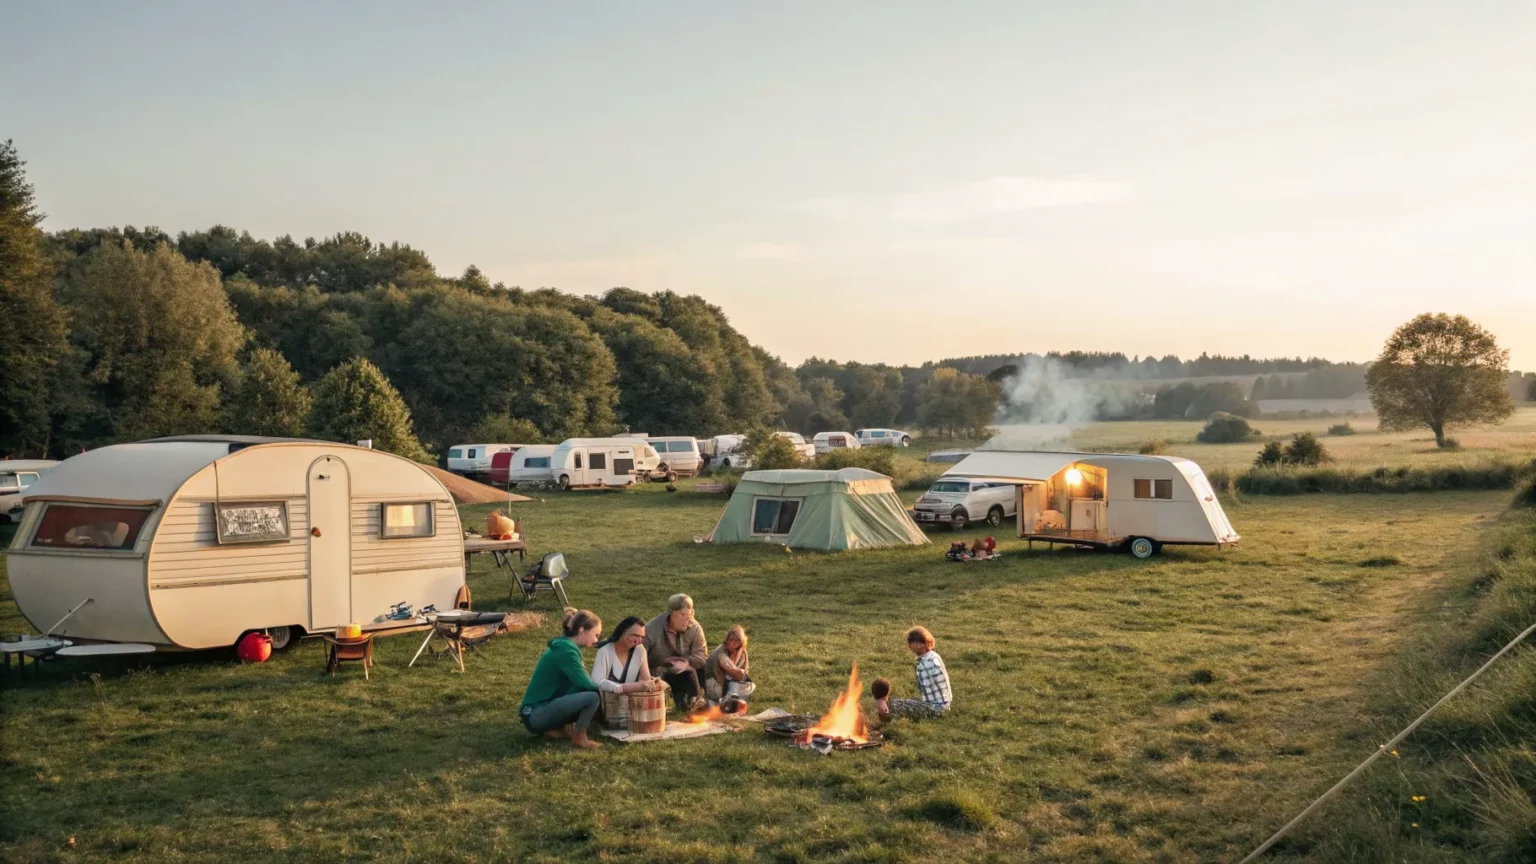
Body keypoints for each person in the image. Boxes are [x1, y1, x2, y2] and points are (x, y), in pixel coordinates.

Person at [519, 608, 605, 749]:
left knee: (585, 693)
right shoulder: (567, 651)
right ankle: (580, 737)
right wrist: (611, 690)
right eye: (596, 635)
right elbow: (587, 684)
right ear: (582, 630)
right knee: (593, 697)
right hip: (536, 714)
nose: (597, 640)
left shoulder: (565, 646)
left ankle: (555, 729)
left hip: (535, 712)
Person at [645, 593, 708, 714]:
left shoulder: (695, 628)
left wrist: (686, 663)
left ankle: (695, 700)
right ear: (673, 614)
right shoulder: (652, 629)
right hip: (657, 672)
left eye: (689, 614)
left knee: (702, 667)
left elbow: (702, 655)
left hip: (684, 671)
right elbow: (639, 655)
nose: (687, 618)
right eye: (683, 614)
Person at [591, 616, 660, 724]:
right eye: (635, 635)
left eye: (642, 637)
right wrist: (621, 688)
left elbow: (646, 679)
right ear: (623, 632)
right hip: (607, 706)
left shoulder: (640, 650)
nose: (638, 640)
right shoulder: (605, 651)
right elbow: (597, 681)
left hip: (631, 706)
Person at [874, 626, 952, 721]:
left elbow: (922, 686)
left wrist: (882, 698)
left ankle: (885, 721)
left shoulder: (924, 663)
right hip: (943, 706)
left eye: (910, 643)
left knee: (893, 705)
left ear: (919, 643)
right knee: (902, 702)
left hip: (935, 710)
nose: (909, 647)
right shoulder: (934, 656)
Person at [704, 624, 754, 710]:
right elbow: (737, 675)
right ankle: (726, 699)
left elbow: (744, 673)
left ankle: (731, 699)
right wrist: (738, 674)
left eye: (738, 641)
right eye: (732, 640)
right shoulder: (721, 653)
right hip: (715, 683)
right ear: (727, 640)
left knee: (749, 686)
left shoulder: (742, 653)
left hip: (731, 683)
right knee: (737, 678)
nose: (735, 643)